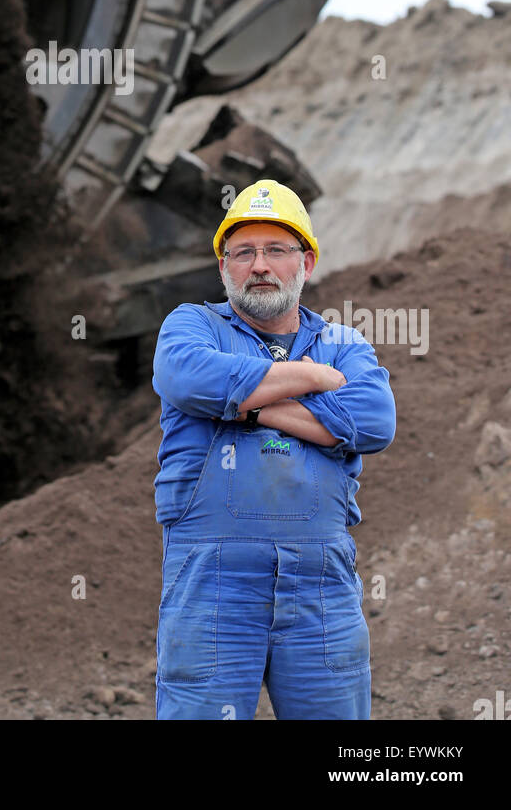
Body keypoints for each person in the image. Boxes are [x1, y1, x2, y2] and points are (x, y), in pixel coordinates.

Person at [152, 178, 396, 720]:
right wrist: (309, 377)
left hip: (322, 587)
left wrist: (247, 405)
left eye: (277, 250)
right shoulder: (193, 326)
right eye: (243, 252)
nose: (260, 265)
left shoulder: (345, 344)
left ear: (306, 261)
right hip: (212, 585)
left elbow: (375, 420)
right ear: (224, 268)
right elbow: (187, 378)